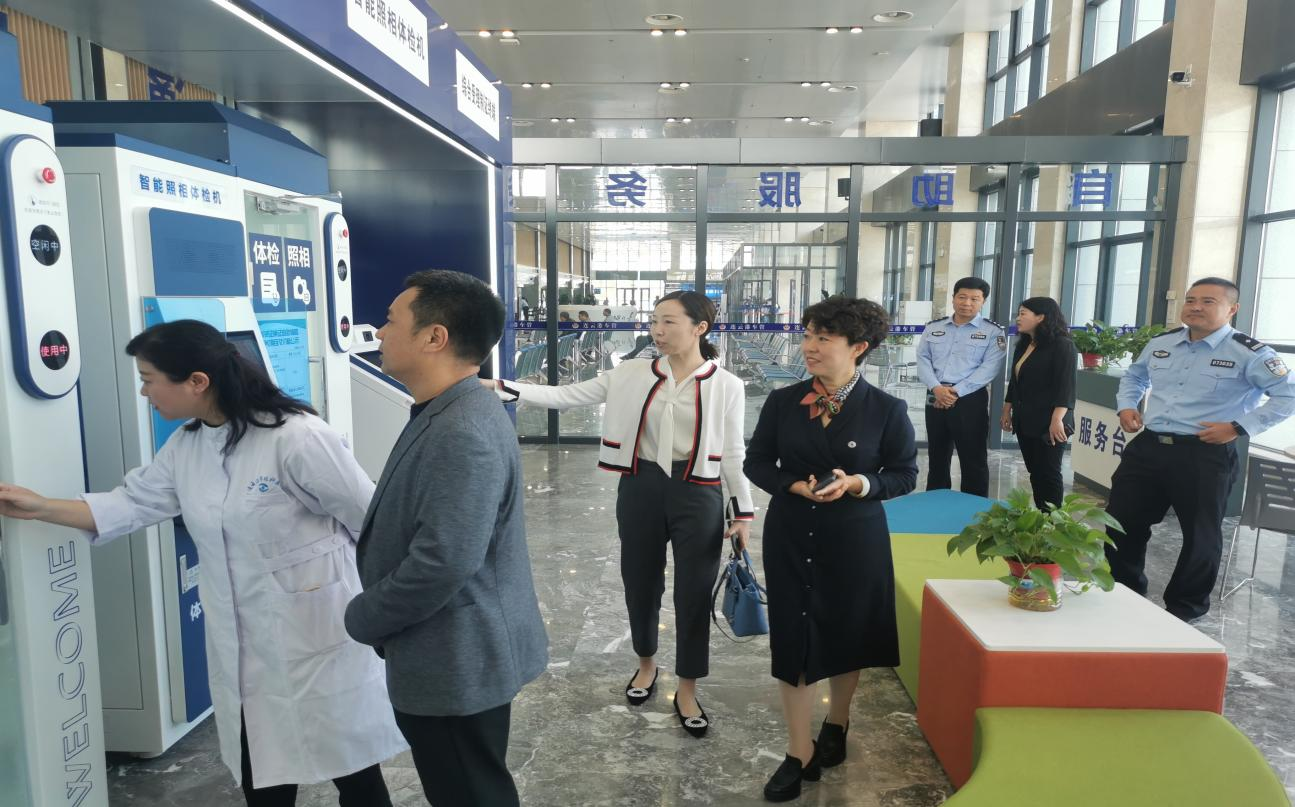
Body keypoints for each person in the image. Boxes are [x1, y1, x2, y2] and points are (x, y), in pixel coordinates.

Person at [0, 320, 406, 806]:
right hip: (244, 653)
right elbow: (131, 504)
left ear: (196, 381)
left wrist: (386, 613)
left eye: (149, 379)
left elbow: (372, 522)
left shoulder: (297, 438)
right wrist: (40, 506)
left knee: (356, 778)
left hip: (319, 641)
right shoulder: (187, 447)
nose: (145, 392)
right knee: (262, 778)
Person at [489, 290, 754, 738]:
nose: (657, 330)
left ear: (699, 328)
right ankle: (646, 664)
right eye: (654, 321)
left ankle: (688, 687)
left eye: (668, 322)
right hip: (641, 486)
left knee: (693, 594)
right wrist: (502, 388)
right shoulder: (631, 373)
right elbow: (566, 394)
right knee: (640, 581)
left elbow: (732, 453)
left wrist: (742, 512)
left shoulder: (727, 385)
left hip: (698, 492)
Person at [343, 271, 548, 806]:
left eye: (391, 320)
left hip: (456, 657)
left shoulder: (462, 430)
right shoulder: (451, 409)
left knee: (468, 792)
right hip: (453, 650)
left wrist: (365, 616)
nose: (379, 332)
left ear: (434, 337)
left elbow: (444, 561)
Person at [744, 296, 918, 802]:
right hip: (792, 531)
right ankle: (799, 752)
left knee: (847, 630)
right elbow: (757, 462)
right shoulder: (783, 401)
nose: (810, 346)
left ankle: (837, 721)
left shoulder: (886, 409)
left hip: (854, 536)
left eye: (823, 338)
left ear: (858, 347)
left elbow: (903, 474)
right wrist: (793, 485)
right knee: (792, 638)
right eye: (807, 335)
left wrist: (860, 483)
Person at [1106, 277, 1295, 622]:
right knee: (1121, 521)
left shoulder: (1250, 353)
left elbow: (1288, 395)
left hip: (1203, 454)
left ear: (1232, 309)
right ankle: (1123, 589)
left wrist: (1238, 428)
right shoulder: (1162, 343)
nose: (1195, 307)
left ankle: (1184, 608)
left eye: (1208, 301)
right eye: (1191, 300)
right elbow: (1135, 376)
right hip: (1148, 448)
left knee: (1200, 535)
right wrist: (1127, 405)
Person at [915, 277, 1007, 497]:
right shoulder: (934, 328)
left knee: (973, 458)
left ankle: (974, 508)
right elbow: (922, 359)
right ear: (953, 298)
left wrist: (955, 391)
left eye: (974, 299)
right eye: (962, 297)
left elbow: (990, 368)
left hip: (969, 399)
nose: (967, 303)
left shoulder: (993, 332)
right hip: (935, 395)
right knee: (937, 455)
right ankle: (936, 502)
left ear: (983, 301)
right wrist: (937, 388)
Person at [1000, 297, 1077, 510]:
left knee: (1049, 472)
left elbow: (1066, 387)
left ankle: (1053, 520)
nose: (1018, 318)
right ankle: (1042, 515)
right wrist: (1007, 410)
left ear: (1041, 317)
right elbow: (1015, 382)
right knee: (1035, 471)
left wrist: (1057, 419)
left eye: (1023, 314)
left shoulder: (1063, 345)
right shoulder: (1025, 344)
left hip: (1051, 422)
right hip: (1026, 419)